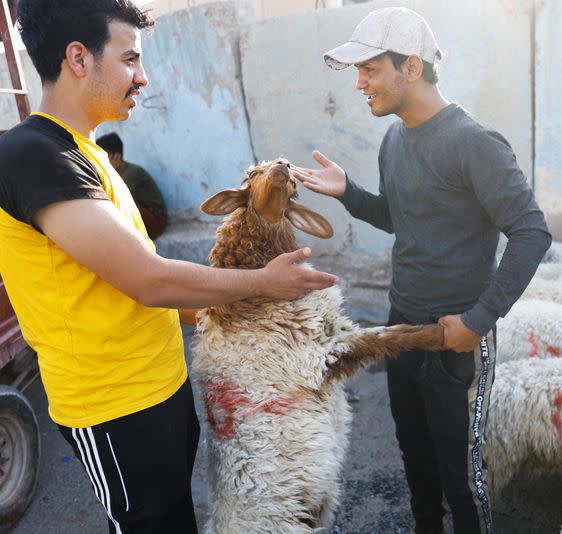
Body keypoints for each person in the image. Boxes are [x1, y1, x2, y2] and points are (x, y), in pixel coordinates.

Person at [0, 1, 336, 532]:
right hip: (113, 410)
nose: (143, 77)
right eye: (131, 59)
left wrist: (241, 327)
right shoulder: (30, 153)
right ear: (78, 58)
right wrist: (264, 284)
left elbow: (133, 283)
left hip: (160, 392)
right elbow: (147, 278)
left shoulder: (84, 155)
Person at [291, 7, 551, 534]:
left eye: (369, 70)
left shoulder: (474, 143)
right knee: (414, 458)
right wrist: (350, 194)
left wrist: (478, 320)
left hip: (457, 336)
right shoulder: (394, 139)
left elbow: (531, 233)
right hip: (400, 328)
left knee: (461, 475)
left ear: (411, 67)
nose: (359, 84)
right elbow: (402, 219)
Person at [96, 132, 168, 238]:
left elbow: (113, 199)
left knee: (117, 207)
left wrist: (111, 172)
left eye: (103, 155)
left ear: (116, 156)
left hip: (156, 220)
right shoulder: (115, 174)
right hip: (143, 218)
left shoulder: (131, 173)